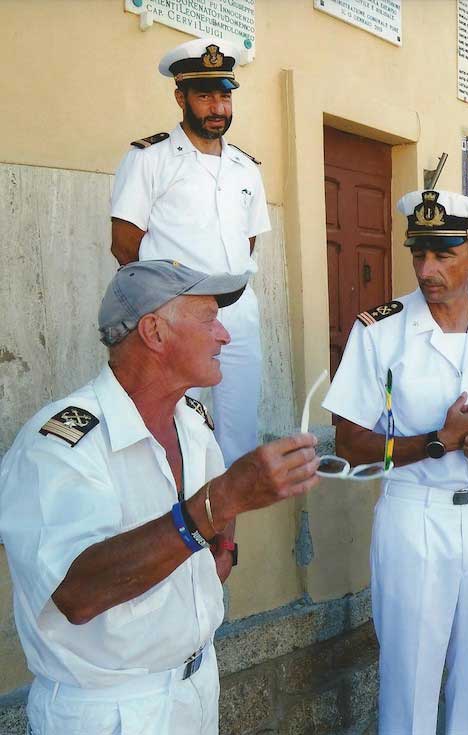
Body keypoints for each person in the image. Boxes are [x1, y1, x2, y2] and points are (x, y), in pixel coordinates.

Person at [0, 261, 320, 735]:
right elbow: (77, 594)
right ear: (154, 331)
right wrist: (222, 499)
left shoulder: (190, 419)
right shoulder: (61, 444)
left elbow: (216, 501)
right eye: (209, 317)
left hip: (196, 686)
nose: (225, 336)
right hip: (109, 713)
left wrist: (225, 543)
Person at [321, 187, 468, 734]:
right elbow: (349, 440)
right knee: (410, 670)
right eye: (419, 254)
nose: (428, 269)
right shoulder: (380, 330)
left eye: (443, 255)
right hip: (414, 514)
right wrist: (436, 442)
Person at [110, 37, 270, 467]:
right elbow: (125, 245)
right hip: (176, 316)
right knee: (175, 420)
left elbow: (246, 242)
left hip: (238, 313)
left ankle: (228, 530)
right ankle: (173, 520)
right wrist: (167, 303)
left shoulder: (246, 169)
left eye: (224, 96)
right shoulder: (149, 159)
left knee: (240, 426)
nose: (217, 108)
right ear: (180, 97)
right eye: (205, 96)